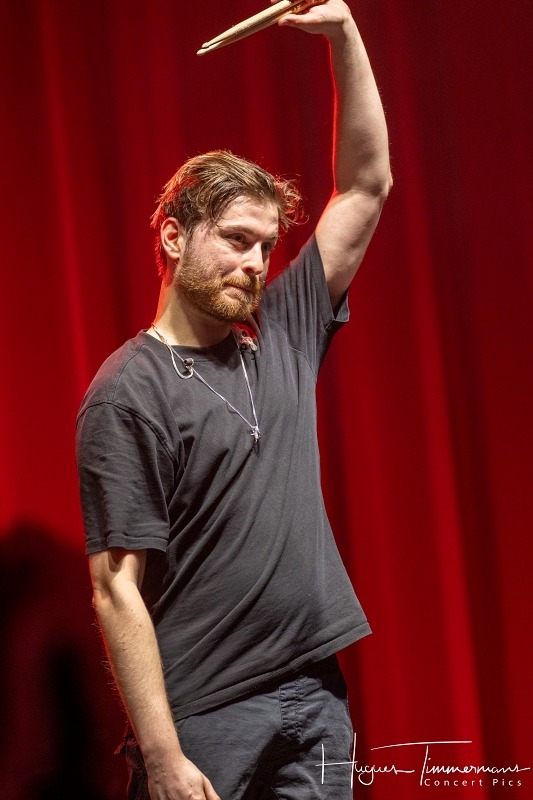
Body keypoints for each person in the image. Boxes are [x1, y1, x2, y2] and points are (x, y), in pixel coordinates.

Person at [76, 1, 392, 798]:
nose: (254, 263)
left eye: (265, 246)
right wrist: (162, 755)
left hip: (314, 693)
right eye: (234, 239)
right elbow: (116, 589)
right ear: (173, 236)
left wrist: (344, 34)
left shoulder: (281, 334)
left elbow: (365, 186)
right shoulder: (129, 391)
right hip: (205, 713)